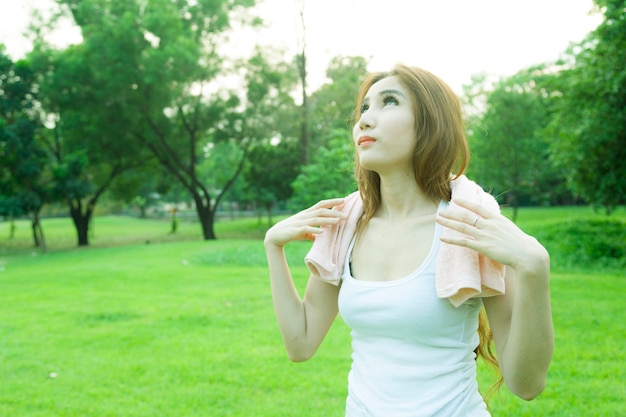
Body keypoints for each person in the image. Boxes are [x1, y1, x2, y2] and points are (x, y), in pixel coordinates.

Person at [264, 64, 554, 417]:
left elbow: (526, 384)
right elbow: (301, 343)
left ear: (430, 124)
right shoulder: (345, 225)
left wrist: (535, 269)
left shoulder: (469, 224)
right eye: (365, 108)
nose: (365, 121)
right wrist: (273, 246)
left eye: (389, 102)